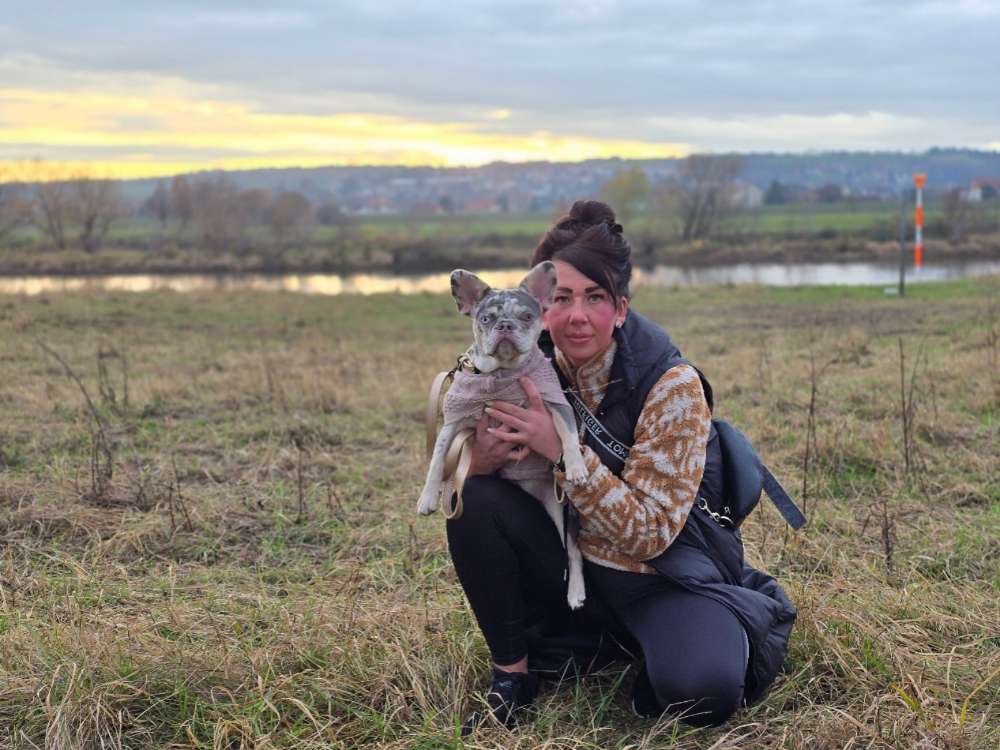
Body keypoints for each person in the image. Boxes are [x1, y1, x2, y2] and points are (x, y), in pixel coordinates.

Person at [445, 200, 796, 734]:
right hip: (571, 571)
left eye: (596, 297)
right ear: (541, 307)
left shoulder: (671, 385)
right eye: (563, 298)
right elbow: (463, 487)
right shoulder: (520, 367)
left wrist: (562, 451)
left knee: (704, 690)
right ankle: (513, 676)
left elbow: (650, 534)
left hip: (658, 578)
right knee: (475, 501)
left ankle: (669, 635)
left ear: (621, 308)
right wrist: (480, 463)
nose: (578, 315)